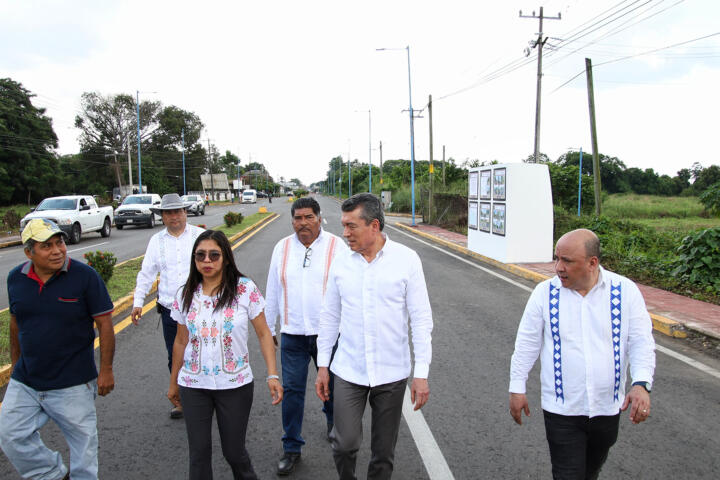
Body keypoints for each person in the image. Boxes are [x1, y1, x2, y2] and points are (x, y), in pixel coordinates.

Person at [509, 228, 656, 479]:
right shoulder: (544, 294)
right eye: (556, 258)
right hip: (561, 409)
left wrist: (641, 384)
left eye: (567, 260)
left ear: (592, 263)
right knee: (568, 473)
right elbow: (527, 343)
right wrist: (516, 387)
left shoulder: (625, 291)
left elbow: (641, 341)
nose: (558, 267)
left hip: (607, 408)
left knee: (590, 471)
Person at [315, 193, 433, 480]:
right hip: (348, 370)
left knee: (383, 455)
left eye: (351, 226)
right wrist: (322, 366)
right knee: (344, 444)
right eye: (343, 225)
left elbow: (421, 320)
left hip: (391, 374)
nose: (345, 233)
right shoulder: (341, 264)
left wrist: (421, 374)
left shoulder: (407, 260)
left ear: (375, 226)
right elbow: (330, 317)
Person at [0, 218, 115, 480]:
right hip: (26, 381)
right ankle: (51, 474)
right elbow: (16, 323)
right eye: (47, 246)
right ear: (29, 252)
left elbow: (105, 324)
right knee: (9, 434)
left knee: (84, 455)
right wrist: (16, 364)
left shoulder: (85, 277)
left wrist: (106, 370)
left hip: (73, 382)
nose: (57, 250)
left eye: (59, 242)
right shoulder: (15, 278)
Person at [167, 230, 283, 479]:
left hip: (235, 384)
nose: (206, 261)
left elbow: (264, 334)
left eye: (214, 255)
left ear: (226, 258)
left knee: (234, 452)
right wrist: (173, 382)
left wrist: (272, 374)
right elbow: (180, 340)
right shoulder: (185, 294)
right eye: (200, 256)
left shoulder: (244, 289)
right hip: (193, 384)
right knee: (198, 454)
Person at [265, 197, 348, 475]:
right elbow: (273, 290)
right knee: (292, 393)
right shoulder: (282, 248)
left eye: (308, 217)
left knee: (333, 389)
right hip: (293, 335)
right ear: (292, 221)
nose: (303, 223)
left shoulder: (336, 246)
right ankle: (291, 447)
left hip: (329, 334)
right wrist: (269, 328)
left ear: (319, 218)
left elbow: (348, 288)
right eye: (298, 218)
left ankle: (333, 425)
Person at [131, 193, 204, 419]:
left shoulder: (200, 236)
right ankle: (182, 399)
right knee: (176, 356)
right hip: (170, 311)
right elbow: (147, 273)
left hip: (200, 309)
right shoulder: (156, 241)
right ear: (162, 216)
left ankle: (206, 398)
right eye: (168, 213)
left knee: (203, 353)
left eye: (177, 211)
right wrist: (137, 302)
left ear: (185, 212)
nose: (174, 216)